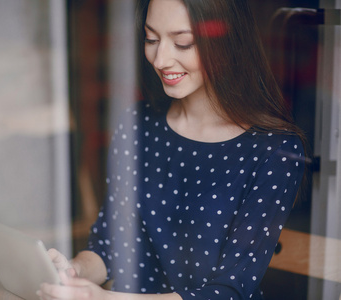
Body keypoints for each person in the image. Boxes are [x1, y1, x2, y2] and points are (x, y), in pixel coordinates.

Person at [37, 0, 306, 299]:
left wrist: (102, 298)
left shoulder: (274, 151)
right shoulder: (138, 125)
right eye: (151, 39)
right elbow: (110, 246)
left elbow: (229, 290)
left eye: (183, 43)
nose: (160, 59)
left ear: (228, 44)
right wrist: (72, 271)